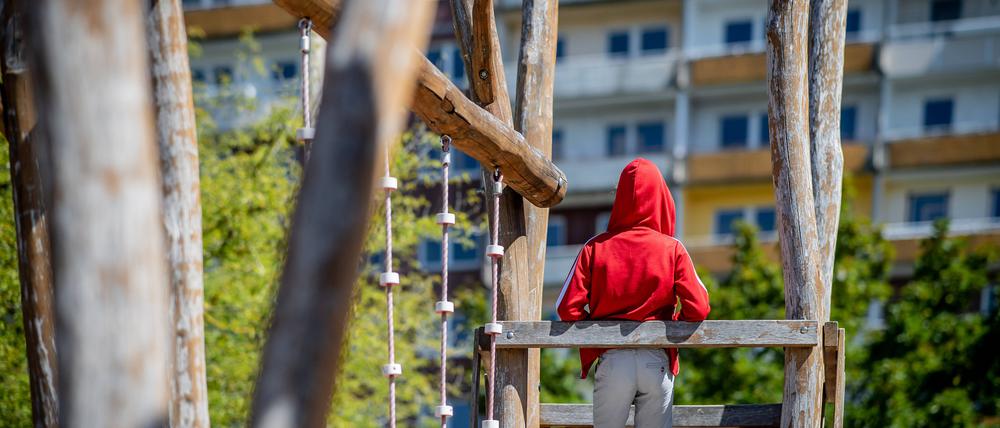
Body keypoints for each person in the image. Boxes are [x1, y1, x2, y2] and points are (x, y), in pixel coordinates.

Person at [555, 158, 711, 428]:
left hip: (613, 361)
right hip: (656, 360)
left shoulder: (595, 248)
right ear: (661, 197)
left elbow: (567, 309)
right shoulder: (672, 248)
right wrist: (671, 324)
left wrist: (597, 327)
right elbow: (699, 307)